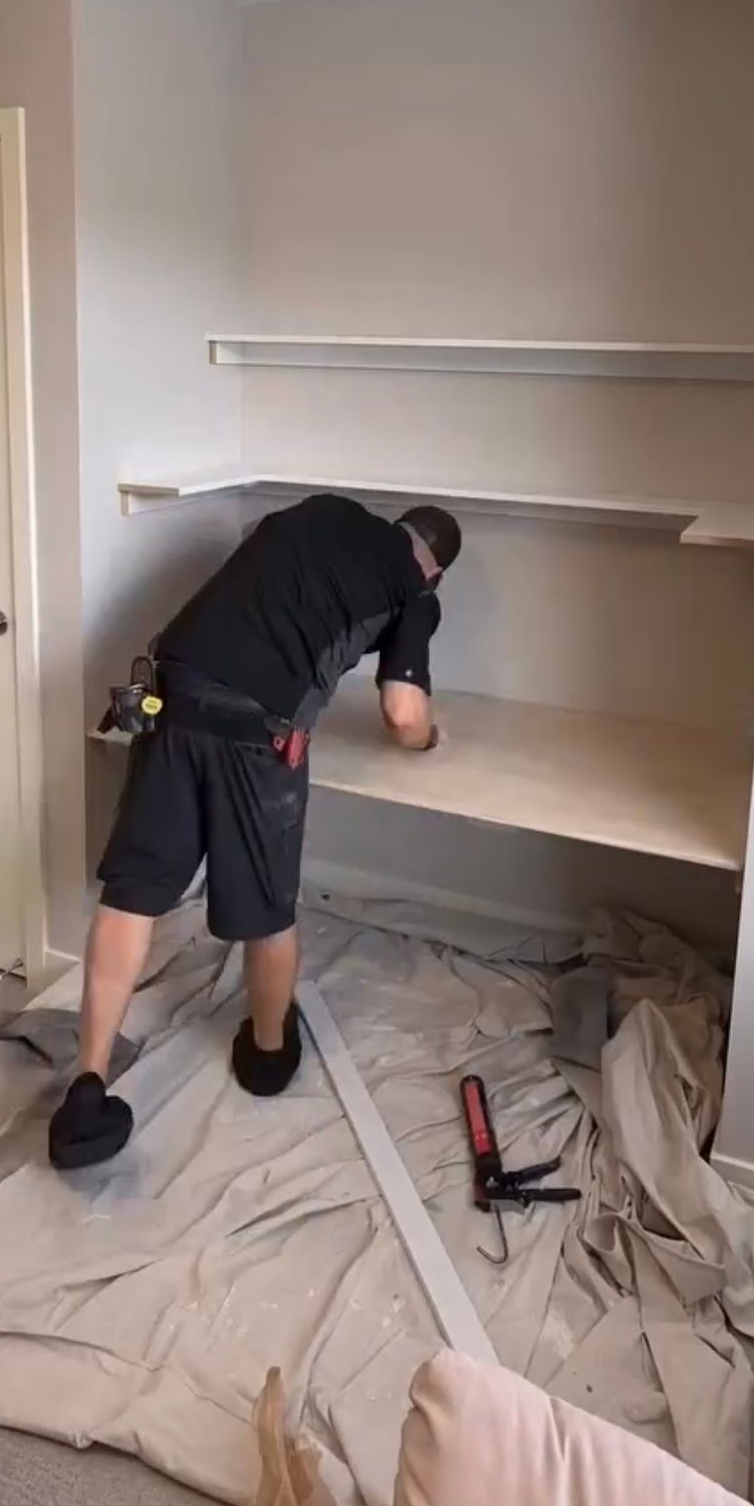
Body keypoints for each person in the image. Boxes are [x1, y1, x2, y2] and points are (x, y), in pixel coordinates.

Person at [49, 493, 461, 1170]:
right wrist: (429, 741)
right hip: (258, 732)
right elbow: (402, 712)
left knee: (133, 892)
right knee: (268, 911)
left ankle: (86, 1089)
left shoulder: (320, 511)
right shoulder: (415, 593)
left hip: (170, 695)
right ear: (436, 571)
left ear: (397, 525)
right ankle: (268, 1055)